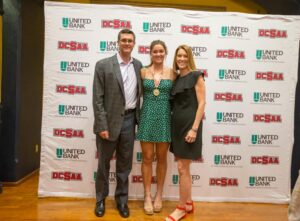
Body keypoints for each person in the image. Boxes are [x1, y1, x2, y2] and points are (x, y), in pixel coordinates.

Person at [92, 28, 143, 218]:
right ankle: (100, 201)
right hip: (109, 122)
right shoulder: (103, 65)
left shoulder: (139, 66)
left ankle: (122, 201)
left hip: (130, 120)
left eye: (130, 40)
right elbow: (98, 99)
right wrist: (102, 125)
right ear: (118, 42)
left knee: (124, 166)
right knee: (103, 165)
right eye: (124, 40)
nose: (127, 43)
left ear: (134, 43)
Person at [165, 45, 206, 221]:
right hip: (177, 126)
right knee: (184, 168)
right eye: (178, 56)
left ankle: (181, 207)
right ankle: (188, 202)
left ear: (189, 57)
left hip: (190, 126)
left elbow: (202, 103)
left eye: (184, 56)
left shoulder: (196, 76)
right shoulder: (176, 78)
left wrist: (194, 129)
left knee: (182, 168)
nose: (181, 59)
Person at [136, 40, 176, 215]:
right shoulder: (143, 71)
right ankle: (146, 196)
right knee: (146, 158)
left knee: (161, 159)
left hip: (165, 118)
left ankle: (159, 195)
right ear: (150, 53)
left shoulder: (173, 73)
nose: (158, 54)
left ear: (165, 53)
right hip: (146, 117)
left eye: (161, 51)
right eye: (155, 51)